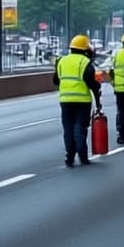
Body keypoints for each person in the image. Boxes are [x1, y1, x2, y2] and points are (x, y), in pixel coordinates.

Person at [53, 34, 102, 166]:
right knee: (80, 128)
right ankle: (83, 156)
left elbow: (55, 80)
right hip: (82, 102)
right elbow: (92, 84)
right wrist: (98, 102)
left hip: (65, 101)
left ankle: (69, 156)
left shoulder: (61, 61)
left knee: (68, 129)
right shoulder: (85, 63)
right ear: (86, 49)